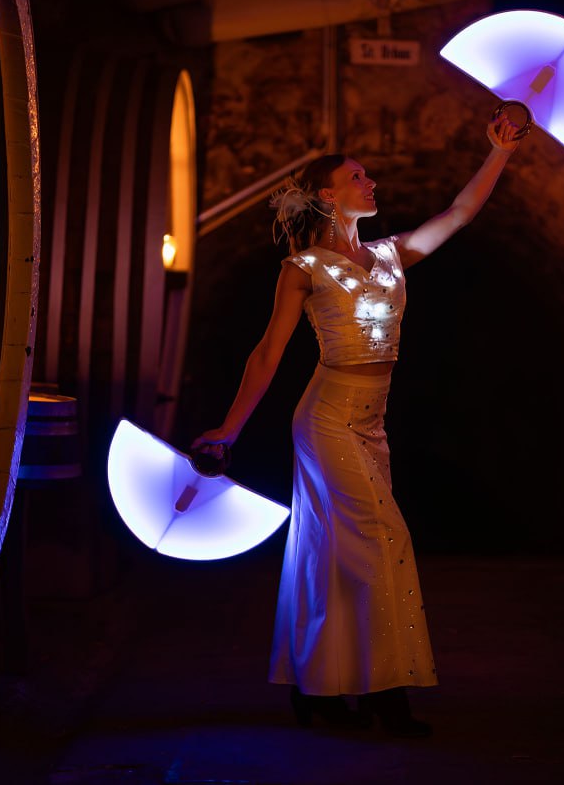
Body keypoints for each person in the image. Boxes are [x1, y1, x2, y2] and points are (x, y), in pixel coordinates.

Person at [193, 113, 523, 737]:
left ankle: (318, 691)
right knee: (383, 538)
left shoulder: (391, 254)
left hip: (373, 424)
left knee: (333, 555)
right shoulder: (303, 268)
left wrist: (499, 153)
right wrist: (229, 429)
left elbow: (459, 214)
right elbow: (267, 354)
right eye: (357, 177)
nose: (371, 183)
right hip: (327, 420)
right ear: (328, 195)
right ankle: (384, 694)